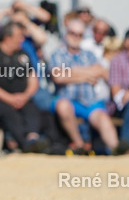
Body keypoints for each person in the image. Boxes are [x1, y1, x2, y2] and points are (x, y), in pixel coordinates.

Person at [49, 18, 118, 154]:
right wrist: (86, 75)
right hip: (67, 99)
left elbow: (100, 72)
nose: (75, 37)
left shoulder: (89, 54)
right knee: (63, 106)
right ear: (66, 33)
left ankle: (117, 150)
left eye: (79, 34)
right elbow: (58, 76)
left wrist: (70, 71)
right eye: (72, 33)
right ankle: (80, 145)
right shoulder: (57, 54)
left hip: (89, 101)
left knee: (103, 118)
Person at [0, 22, 48, 153]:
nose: (22, 39)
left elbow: (33, 79)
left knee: (32, 109)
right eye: (19, 36)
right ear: (7, 37)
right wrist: (9, 98)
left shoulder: (22, 54)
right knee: (8, 113)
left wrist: (25, 95)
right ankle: (24, 144)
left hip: (22, 97)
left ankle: (33, 138)